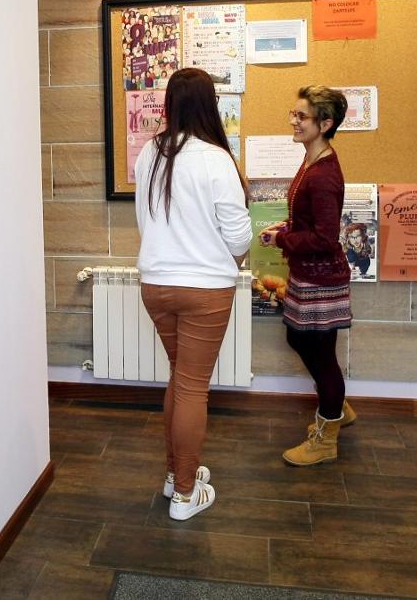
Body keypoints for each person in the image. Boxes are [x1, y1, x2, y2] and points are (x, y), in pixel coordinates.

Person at [135, 67, 251, 521]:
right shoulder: (216, 158)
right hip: (206, 290)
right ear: (209, 105)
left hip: (156, 284)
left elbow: (145, 222)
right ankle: (185, 494)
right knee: (192, 386)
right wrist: (230, 259)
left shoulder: (149, 153)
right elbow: (239, 235)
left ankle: (173, 476)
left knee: (179, 377)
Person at [259, 85, 355, 467]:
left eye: (302, 117)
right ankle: (336, 405)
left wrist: (283, 237)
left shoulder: (323, 175)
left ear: (325, 124)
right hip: (308, 275)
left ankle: (327, 434)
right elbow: (311, 223)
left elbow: (324, 237)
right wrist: (287, 227)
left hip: (322, 279)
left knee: (320, 354)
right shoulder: (312, 162)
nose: (294, 122)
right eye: (293, 114)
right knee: (300, 340)